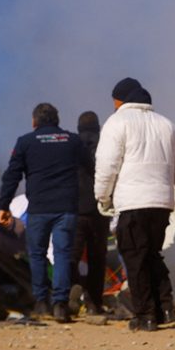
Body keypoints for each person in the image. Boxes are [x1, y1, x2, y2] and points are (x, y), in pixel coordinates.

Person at [94, 78, 175, 332]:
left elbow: (107, 165)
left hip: (132, 202)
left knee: (135, 258)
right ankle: (165, 308)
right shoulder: (167, 125)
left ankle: (146, 315)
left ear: (120, 100)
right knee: (152, 255)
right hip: (162, 203)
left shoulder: (117, 122)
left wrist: (102, 197)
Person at [0, 102, 91, 323]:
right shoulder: (72, 141)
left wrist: (3, 205)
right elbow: (91, 168)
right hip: (66, 208)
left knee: (37, 254)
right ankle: (60, 304)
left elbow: (12, 176)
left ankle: (41, 303)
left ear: (34, 121)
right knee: (62, 254)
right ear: (57, 120)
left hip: (38, 208)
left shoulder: (25, 142)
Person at [68, 111, 110, 319]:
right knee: (97, 258)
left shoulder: (71, 145)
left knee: (72, 256)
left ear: (78, 128)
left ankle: (73, 291)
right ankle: (94, 302)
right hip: (99, 209)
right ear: (98, 127)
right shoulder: (105, 144)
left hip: (74, 208)